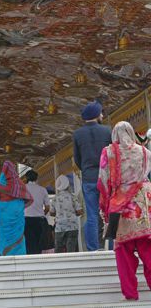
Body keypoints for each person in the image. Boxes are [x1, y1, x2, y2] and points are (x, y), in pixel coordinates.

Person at [98, 121, 151, 301]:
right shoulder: (145, 152)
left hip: (121, 206)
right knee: (148, 249)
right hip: (143, 205)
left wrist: (105, 207)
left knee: (124, 253)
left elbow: (103, 182)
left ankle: (130, 293)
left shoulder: (109, 152)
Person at [73, 101, 111, 251]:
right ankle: (113, 245)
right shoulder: (107, 131)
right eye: (101, 112)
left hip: (88, 178)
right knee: (110, 212)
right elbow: (112, 154)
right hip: (106, 177)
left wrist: (86, 168)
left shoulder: (77, 134)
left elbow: (77, 158)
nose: (102, 115)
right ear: (96, 115)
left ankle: (93, 248)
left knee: (92, 214)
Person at [0, 161, 33, 256]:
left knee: (5, 233)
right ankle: (20, 254)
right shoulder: (19, 184)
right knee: (18, 233)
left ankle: (6, 253)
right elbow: (27, 198)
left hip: (4, 212)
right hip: (17, 210)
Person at [50, 175, 83, 253]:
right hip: (72, 225)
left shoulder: (55, 198)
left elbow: (51, 213)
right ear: (67, 184)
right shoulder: (73, 197)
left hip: (60, 226)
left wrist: (59, 213)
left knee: (58, 248)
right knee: (71, 248)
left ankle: (59, 264)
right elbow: (79, 211)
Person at [24, 169, 50, 254]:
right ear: (36, 179)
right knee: (39, 243)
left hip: (26, 219)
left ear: (26, 178)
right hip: (39, 220)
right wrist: (42, 213)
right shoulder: (42, 190)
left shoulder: (22, 189)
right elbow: (47, 207)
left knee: (28, 243)